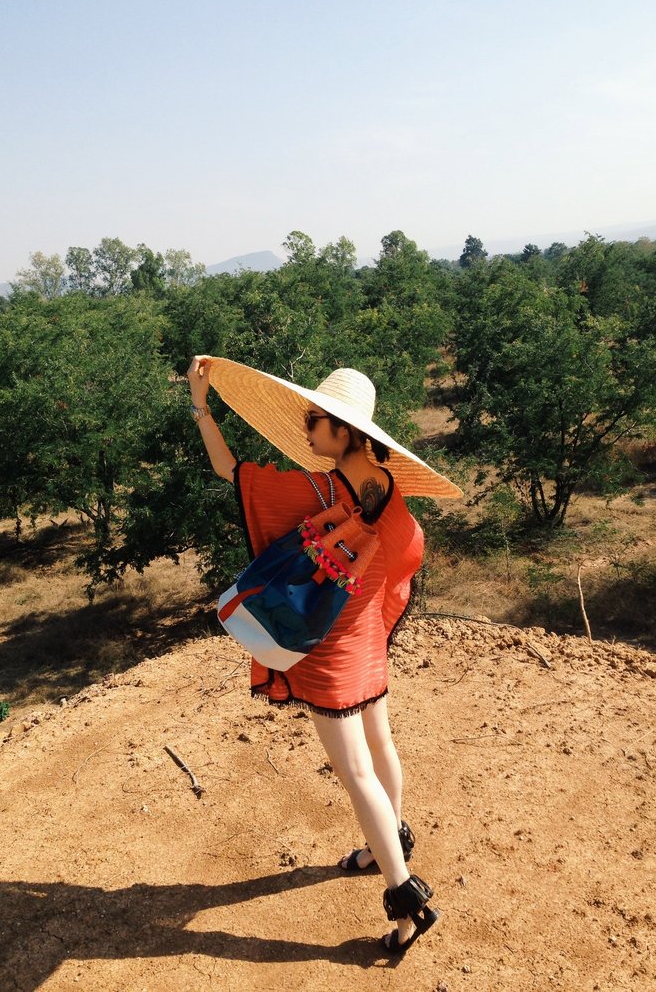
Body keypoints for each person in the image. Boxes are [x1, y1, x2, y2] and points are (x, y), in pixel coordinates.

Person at [186, 354, 463, 954]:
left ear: (344, 430)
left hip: (330, 648)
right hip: (366, 640)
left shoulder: (316, 489)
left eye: (315, 418)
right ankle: (385, 842)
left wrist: (202, 406)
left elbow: (230, 471)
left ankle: (407, 903)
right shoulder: (389, 489)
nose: (307, 427)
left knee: (353, 770)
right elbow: (401, 561)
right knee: (381, 745)